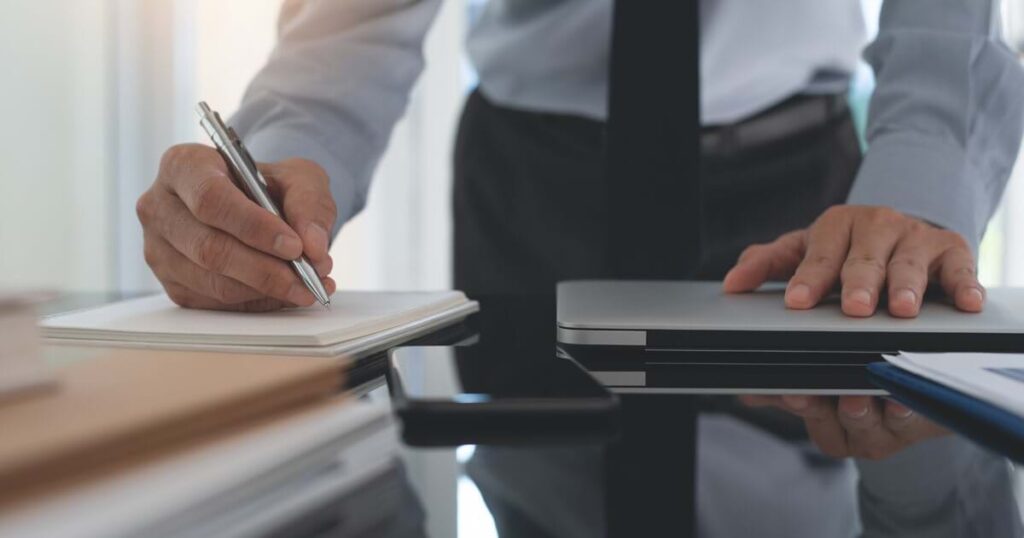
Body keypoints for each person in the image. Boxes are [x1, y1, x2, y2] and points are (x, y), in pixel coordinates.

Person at [135, 0, 1024, 535]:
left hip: (806, 210)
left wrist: (923, 165)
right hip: (530, 193)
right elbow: (355, 23)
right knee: (534, 484)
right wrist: (276, 174)